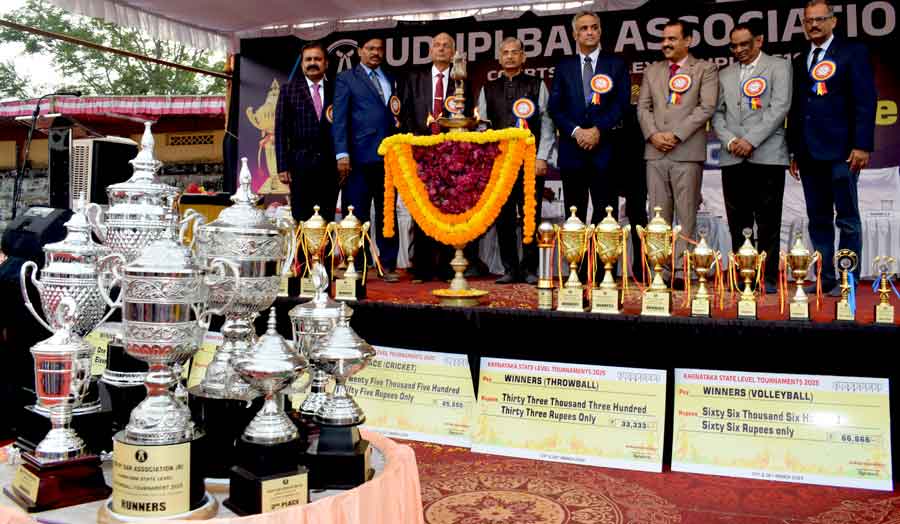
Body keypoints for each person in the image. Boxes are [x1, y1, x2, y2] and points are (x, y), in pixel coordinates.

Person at [788, 0, 876, 295]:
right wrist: (794, 150)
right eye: (808, 20)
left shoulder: (852, 52)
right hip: (808, 153)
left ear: (833, 21)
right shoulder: (800, 59)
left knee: (847, 218)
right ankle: (825, 278)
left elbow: (865, 100)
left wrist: (862, 145)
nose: (813, 25)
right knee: (818, 220)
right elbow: (797, 108)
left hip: (843, 152)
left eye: (819, 19)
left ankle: (847, 278)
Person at [712, 20, 792, 293]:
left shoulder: (779, 67)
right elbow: (717, 114)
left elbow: (780, 107)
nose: (738, 50)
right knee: (738, 222)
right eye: (733, 46)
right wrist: (731, 141)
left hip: (767, 155)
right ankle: (743, 277)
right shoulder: (724, 74)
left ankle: (768, 278)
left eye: (744, 44)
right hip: (733, 156)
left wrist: (751, 140)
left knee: (768, 221)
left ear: (759, 41)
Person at [638, 20, 718, 282]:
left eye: (672, 39)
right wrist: (653, 134)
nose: (666, 44)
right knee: (657, 215)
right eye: (663, 39)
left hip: (686, 151)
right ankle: (659, 270)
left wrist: (676, 135)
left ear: (688, 41)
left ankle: (683, 270)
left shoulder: (704, 69)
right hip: (655, 152)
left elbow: (706, 107)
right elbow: (643, 107)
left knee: (686, 215)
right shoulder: (652, 70)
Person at [398, 32, 482, 282]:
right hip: (421, 152)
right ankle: (421, 268)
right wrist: (415, 143)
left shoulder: (462, 80)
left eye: (447, 46)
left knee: (449, 210)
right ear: (430, 51)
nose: (442, 49)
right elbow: (406, 114)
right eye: (437, 45)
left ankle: (447, 267)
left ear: (454, 52)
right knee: (422, 211)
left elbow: (470, 117)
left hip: (452, 154)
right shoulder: (414, 78)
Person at [476, 37, 554, 284]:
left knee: (531, 215)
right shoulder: (488, 88)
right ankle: (509, 268)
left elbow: (548, 122)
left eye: (514, 52)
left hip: (530, 161)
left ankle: (530, 268)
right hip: (500, 164)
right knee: (504, 217)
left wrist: (542, 157)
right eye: (505, 53)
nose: (509, 56)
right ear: (500, 58)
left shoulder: (536, 84)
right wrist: (487, 159)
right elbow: (482, 127)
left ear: (523, 57)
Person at [548, 11, 629, 227]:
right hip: (572, 153)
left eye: (594, 27)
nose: (590, 32)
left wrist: (597, 129)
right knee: (574, 219)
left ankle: (603, 253)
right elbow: (555, 108)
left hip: (605, 152)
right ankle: (577, 252)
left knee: (606, 220)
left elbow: (621, 104)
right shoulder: (563, 66)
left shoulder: (616, 64)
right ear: (575, 34)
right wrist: (577, 132)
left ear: (600, 31)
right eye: (584, 28)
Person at [332, 37, 400, 282]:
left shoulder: (390, 78)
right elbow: (340, 118)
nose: (375, 52)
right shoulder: (346, 78)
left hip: (388, 157)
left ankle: (388, 264)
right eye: (370, 48)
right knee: (357, 213)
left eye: (379, 49)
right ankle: (357, 264)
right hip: (358, 157)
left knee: (387, 213)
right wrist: (342, 153)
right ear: (360, 51)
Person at [275, 41, 338, 223]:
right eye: (308, 59)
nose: (312, 63)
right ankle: (302, 244)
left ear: (326, 63)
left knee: (327, 217)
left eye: (317, 59)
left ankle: (324, 244)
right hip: (300, 165)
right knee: (301, 216)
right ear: (302, 64)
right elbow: (280, 129)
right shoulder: (288, 90)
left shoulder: (337, 89)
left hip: (330, 165)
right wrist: (282, 166)